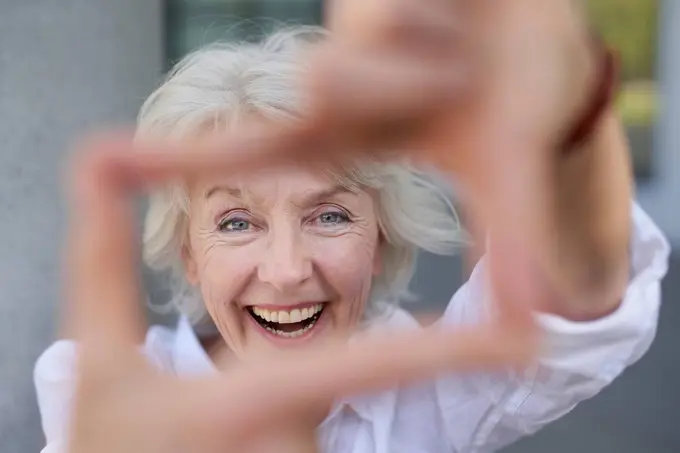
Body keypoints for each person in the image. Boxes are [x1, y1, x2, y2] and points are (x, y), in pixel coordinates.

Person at [34, 1, 670, 453]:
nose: (287, 270)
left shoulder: (418, 391)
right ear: (188, 256)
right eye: (236, 222)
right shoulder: (104, 400)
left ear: (382, 238)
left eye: (330, 215)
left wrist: (564, 112)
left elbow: (576, 308)